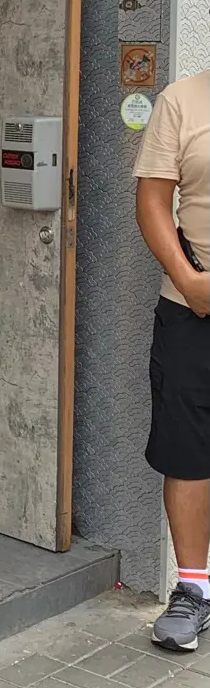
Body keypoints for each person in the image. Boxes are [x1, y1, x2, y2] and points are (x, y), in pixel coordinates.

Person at [134, 72, 210, 650]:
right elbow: (153, 202)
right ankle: (193, 590)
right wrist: (188, 281)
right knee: (187, 449)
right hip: (193, 308)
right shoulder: (181, 102)